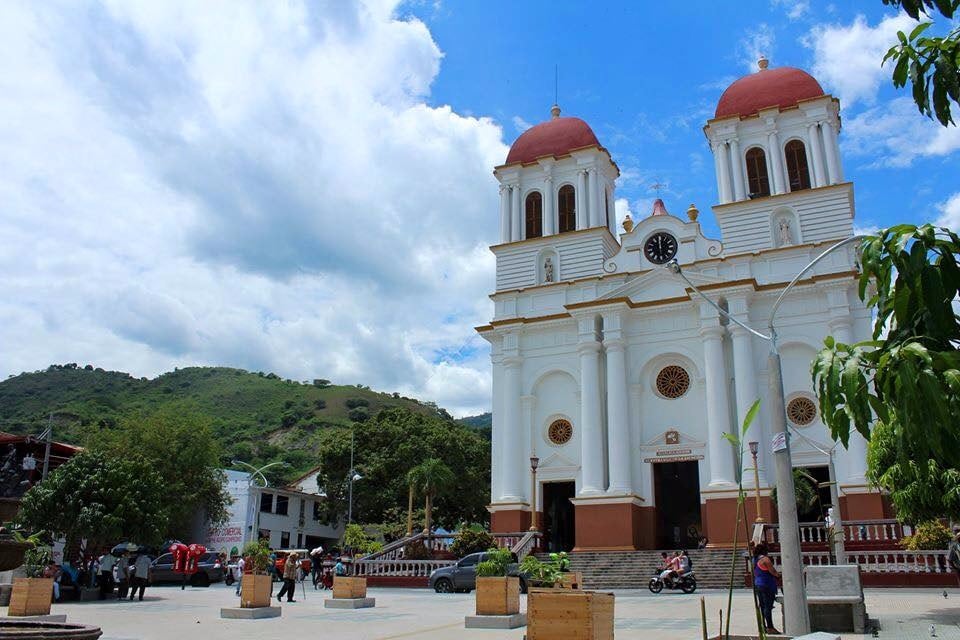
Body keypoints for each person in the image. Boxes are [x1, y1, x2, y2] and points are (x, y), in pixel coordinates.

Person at [753, 543, 781, 634]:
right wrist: (778, 576)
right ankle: (770, 627)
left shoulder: (754, 559)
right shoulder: (765, 559)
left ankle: (763, 626)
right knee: (767, 607)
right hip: (767, 585)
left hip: (758, 584)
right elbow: (772, 571)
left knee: (762, 606)